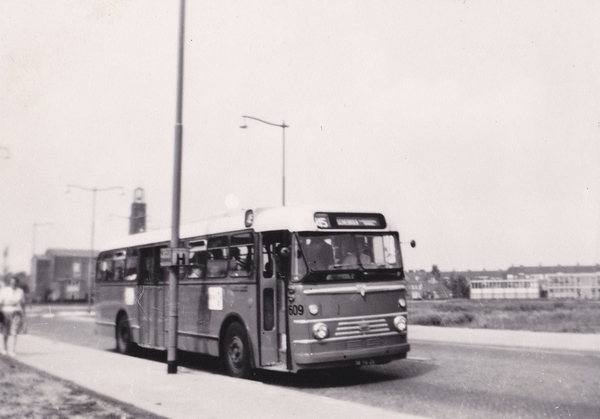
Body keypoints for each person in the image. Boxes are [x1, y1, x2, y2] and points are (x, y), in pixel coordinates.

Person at [0, 276, 26, 356]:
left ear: (17, 283)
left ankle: (13, 350)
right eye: (12, 283)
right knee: (6, 332)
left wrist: (24, 314)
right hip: (5, 312)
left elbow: (23, 303)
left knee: (14, 332)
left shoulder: (20, 291)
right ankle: (5, 348)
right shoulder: (4, 291)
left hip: (16, 312)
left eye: (15, 283)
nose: (13, 284)